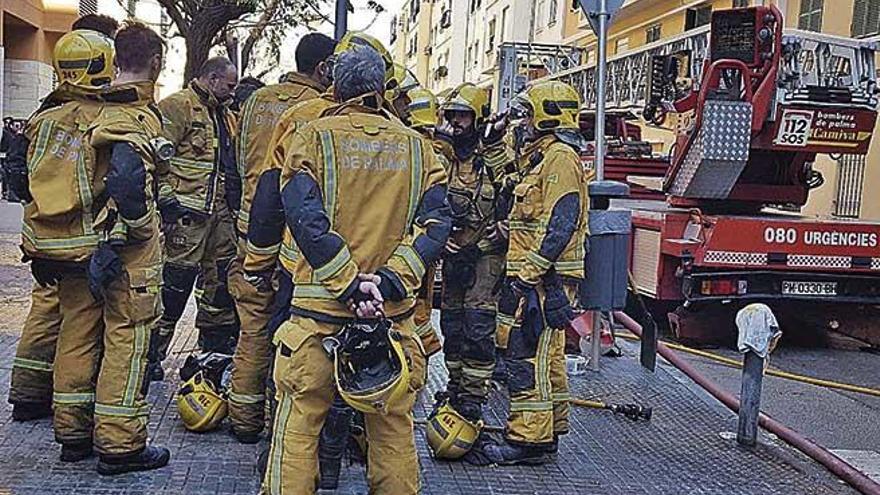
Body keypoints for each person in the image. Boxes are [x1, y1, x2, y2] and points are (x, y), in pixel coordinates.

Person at [261, 45, 451, 495]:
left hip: (316, 319)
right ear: (383, 89)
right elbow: (435, 226)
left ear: (334, 86)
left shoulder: (312, 138)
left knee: (298, 428)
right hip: (391, 321)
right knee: (392, 430)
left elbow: (306, 220)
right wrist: (385, 283)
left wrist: (348, 283)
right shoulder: (419, 149)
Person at [21, 20, 170, 474]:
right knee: (127, 339)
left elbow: (20, 176)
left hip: (59, 251)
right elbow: (126, 180)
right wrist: (143, 228)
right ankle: (120, 445)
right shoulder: (120, 116)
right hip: (118, 253)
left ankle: (72, 435)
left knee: (76, 336)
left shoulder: (46, 118)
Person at [7, 17, 120, 422]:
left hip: (43, 237)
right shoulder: (98, 113)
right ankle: (69, 414)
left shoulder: (46, 110)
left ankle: (28, 394)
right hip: (80, 239)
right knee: (79, 324)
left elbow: (18, 172)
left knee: (44, 311)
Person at [471, 80, 589, 466]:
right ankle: (548, 431)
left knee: (525, 355)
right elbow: (510, 182)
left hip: (542, 279)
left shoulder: (559, 158)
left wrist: (529, 275)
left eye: (524, 115)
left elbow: (561, 221)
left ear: (546, 117)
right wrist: (491, 143)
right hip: (539, 277)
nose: (519, 122)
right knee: (547, 356)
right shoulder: (541, 158)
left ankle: (528, 440)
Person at [227, 32, 335, 444]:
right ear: (324, 68)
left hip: (251, 227)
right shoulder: (322, 112)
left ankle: (245, 417)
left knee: (253, 325)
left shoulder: (256, 100)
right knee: (297, 334)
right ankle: (283, 427)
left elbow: (240, 164)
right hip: (298, 243)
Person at [148, 56, 241, 382]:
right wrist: (167, 202)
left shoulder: (225, 115)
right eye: (229, 85)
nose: (232, 92)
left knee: (221, 283)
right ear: (213, 78)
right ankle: (151, 356)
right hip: (186, 216)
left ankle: (212, 350)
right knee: (175, 284)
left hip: (220, 214)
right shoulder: (177, 106)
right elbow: (155, 158)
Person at [434, 82, 508, 425]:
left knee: (478, 329)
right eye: (452, 115)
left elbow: (518, 193)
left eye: (463, 115)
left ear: (477, 117)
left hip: (484, 256)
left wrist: (505, 228)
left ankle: (473, 397)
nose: (457, 122)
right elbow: (425, 196)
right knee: (452, 325)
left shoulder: (495, 156)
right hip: (452, 255)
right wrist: (437, 236)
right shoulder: (442, 156)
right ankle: (454, 385)